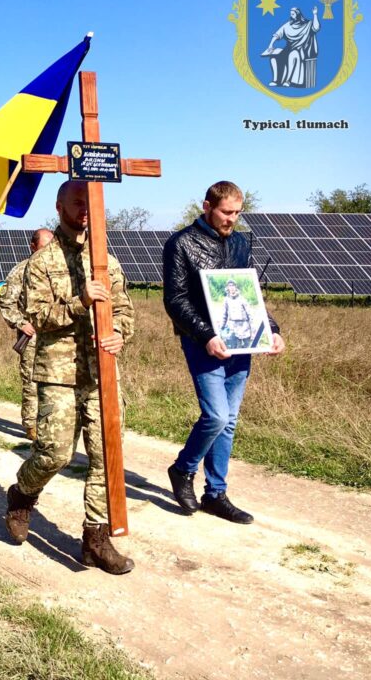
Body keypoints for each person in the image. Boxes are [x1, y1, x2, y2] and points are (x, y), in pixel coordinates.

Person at [3, 181, 136, 575]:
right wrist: (80, 303)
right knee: (55, 454)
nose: (84, 211)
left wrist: (119, 333)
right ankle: (22, 494)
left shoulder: (106, 262)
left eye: (89, 204)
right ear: (59, 205)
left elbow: (125, 310)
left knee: (104, 455)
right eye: (78, 203)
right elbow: (38, 318)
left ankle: (95, 539)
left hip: (100, 375)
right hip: (58, 372)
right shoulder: (41, 263)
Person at [163, 180, 286, 524]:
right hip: (204, 343)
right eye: (226, 212)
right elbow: (175, 300)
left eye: (237, 212)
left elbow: (250, 295)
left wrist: (271, 329)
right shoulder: (181, 244)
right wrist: (205, 335)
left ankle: (216, 493)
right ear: (206, 207)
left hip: (240, 342)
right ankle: (183, 469)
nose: (232, 219)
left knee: (229, 422)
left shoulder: (242, 242)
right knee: (216, 416)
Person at [0, 228, 54, 440]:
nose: (48, 251)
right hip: (31, 337)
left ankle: (49, 423)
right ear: (32, 246)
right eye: (43, 247)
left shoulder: (58, 271)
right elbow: (6, 302)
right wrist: (21, 323)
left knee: (53, 382)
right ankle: (31, 424)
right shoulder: (20, 271)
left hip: (55, 336)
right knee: (31, 381)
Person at [264, 6, 320, 88]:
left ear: (298, 14)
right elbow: (277, 34)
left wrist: (315, 14)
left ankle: (288, 80)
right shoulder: (288, 25)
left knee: (293, 55)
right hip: (288, 48)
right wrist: (271, 45)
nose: (291, 15)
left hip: (301, 50)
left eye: (293, 14)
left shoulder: (307, 24)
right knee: (273, 56)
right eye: (291, 14)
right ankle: (275, 80)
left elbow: (316, 28)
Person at [220, 280, 253, 349]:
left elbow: (250, 314)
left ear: (236, 287)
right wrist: (221, 327)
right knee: (234, 348)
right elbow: (224, 315)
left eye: (233, 285)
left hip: (244, 327)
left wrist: (253, 330)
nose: (231, 287)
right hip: (233, 327)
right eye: (230, 286)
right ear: (227, 288)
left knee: (246, 348)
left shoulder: (242, 299)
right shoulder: (226, 300)